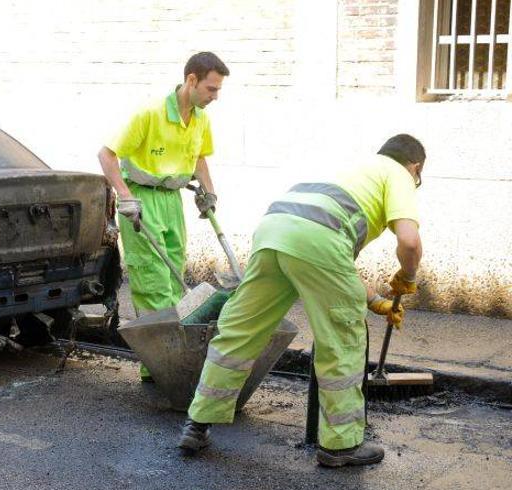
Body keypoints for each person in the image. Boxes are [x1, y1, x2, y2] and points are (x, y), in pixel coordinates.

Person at [177, 134, 425, 467]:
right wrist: (407, 279)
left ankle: (198, 423)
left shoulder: (353, 168)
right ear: (416, 167)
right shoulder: (398, 174)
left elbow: (328, 257)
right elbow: (408, 242)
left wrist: (376, 300)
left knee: (240, 329)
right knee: (343, 338)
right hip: (317, 239)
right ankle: (340, 446)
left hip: (275, 228)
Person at [97, 52, 228, 381]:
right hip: (142, 201)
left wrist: (208, 193)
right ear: (192, 80)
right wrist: (124, 198)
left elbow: (199, 158)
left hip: (172, 202)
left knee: (174, 278)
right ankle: (158, 364)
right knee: (153, 282)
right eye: (211, 89)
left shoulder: (199, 119)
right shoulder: (150, 114)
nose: (215, 96)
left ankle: (176, 354)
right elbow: (107, 155)